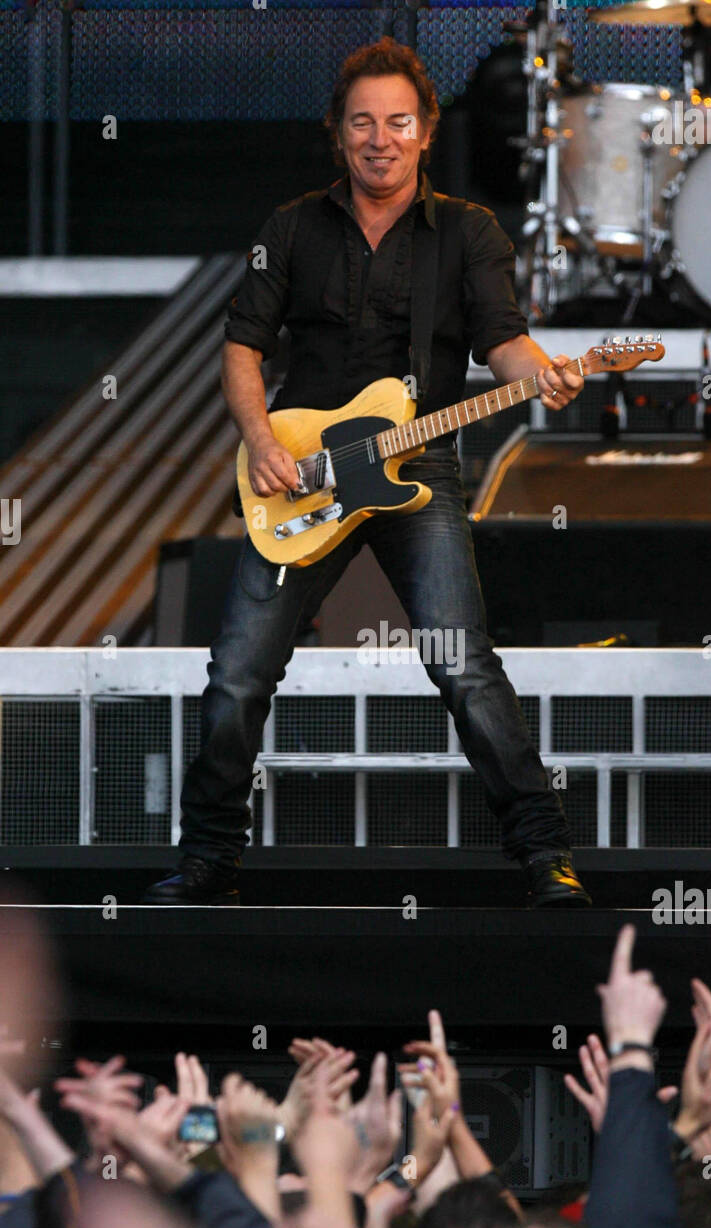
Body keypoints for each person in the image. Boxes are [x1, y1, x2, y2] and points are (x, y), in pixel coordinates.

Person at [145, 37, 591, 908]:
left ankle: (545, 855)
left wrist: (545, 375)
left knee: (463, 665)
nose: (379, 138)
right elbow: (243, 347)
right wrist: (261, 441)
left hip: (417, 467)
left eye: (397, 121)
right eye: (362, 122)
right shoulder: (293, 227)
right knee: (239, 670)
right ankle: (208, 859)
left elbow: (503, 342)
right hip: (303, 474)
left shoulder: (469, 232)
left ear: (425, 131)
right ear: (337, 133)